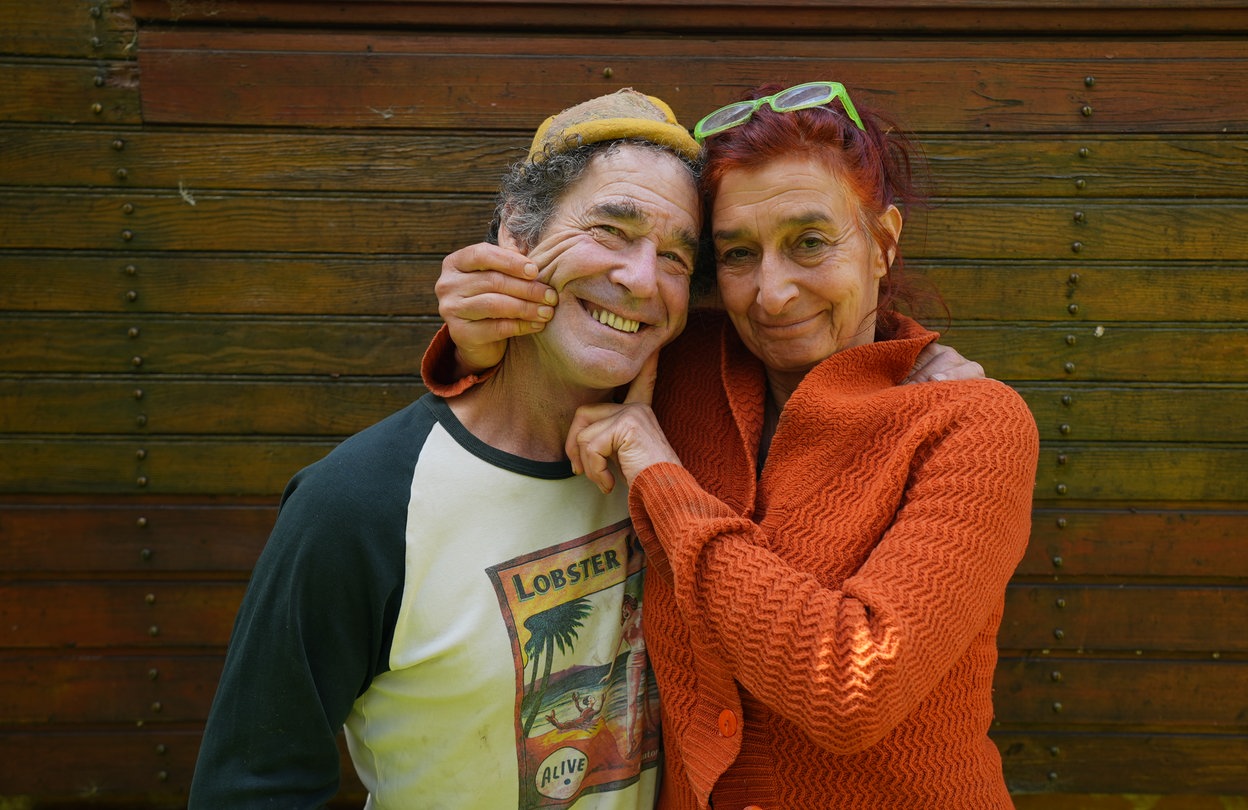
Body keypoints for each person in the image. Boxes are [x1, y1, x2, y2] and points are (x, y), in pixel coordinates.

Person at [423, 81, 1040, 808]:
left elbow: (853, 692)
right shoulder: (681, 366)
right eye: (739, 254)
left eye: (810, 243)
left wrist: (661, 476)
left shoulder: (971, 425)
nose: (772, 294)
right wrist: (483, 339)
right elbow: (564, 358)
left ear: (882, 243)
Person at [189, 88, 706, 809]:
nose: (643, 279)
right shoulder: (359, 503)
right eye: (611, 231)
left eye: (676, 257)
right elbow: (253, 787)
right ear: (516, 234)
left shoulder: (691, 452)